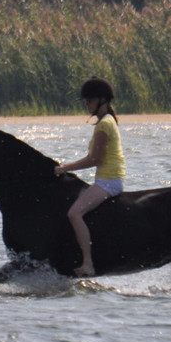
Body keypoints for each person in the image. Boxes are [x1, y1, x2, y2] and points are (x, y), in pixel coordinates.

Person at [53, 77, 126, 277]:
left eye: (90, 101)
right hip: (106, 179)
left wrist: (65, 168)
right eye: (86, 102)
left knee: (74, 213)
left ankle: (88, 263)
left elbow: (94, 159)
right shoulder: (107, 121)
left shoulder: (103, 125)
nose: (87, 105)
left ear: (102, 100)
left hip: (108, 182)